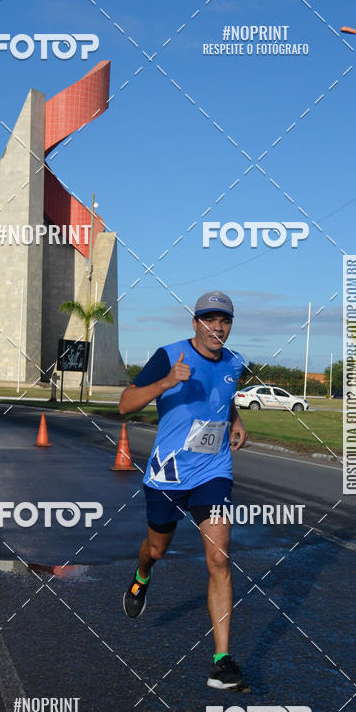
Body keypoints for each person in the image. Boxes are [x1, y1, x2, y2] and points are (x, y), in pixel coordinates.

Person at [118, 291, 249, 691]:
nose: (218, 327)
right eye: (210, 319)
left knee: (219, 559)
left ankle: (221, 662)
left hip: (214, 472)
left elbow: (221, 399)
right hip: (168, 474)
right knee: (157, 549)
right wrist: (168, 381)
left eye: (224, 320)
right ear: (195, 323)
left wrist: (236, 419)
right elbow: (125, 405)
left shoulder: (234, 362)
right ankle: (142, 576)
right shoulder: (169, 355)